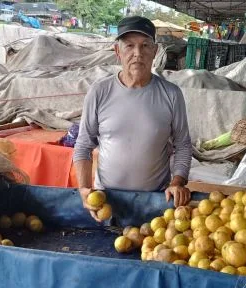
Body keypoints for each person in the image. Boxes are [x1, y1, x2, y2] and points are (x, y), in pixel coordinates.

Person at [73, 16, 192, 221]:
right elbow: (83, 145)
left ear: (155, 52)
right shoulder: (99, 91)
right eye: (129, 46)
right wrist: (84, 188)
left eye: (145, 45)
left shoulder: (171, 94)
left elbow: (183, 145)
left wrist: (177, 182)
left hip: (155, 203)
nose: (138, 53)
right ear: (117, 51)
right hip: (107, 202)